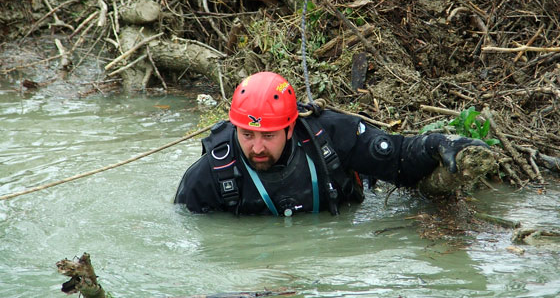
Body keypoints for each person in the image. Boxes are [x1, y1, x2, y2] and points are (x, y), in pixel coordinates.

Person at [174, 72, 487, 216]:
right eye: (247, 134)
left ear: (289, 127)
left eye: (268, 136)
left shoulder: (331, 135)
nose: (256, 147)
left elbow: (401, 159)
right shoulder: (212, 173)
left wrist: (439, 144)